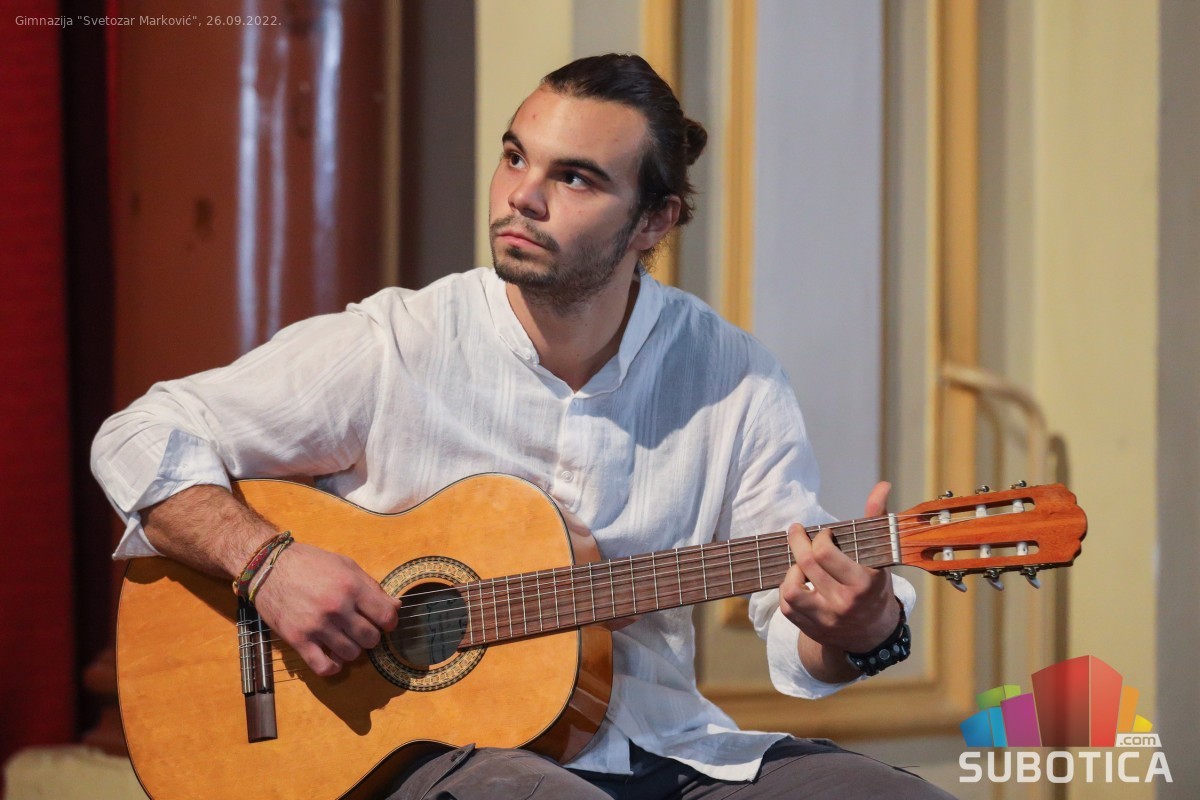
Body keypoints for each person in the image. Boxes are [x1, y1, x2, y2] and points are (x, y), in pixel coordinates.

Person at [93, 54, 952, 799]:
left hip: (665, 749)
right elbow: (138, 436)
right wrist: (268, 563)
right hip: (425, 755)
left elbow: (795, 622)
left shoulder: (735, 377)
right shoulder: (395, 343)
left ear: (654, 221)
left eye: (574, 178)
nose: (521, 198)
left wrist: (860, 631)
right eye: (515, 157)